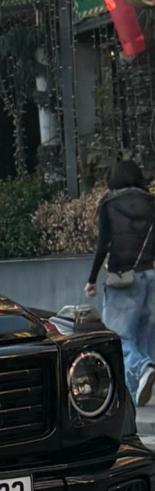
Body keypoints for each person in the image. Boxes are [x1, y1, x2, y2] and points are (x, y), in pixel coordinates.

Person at [85, 160, 155, 405]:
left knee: (116, 337)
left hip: (123, 280)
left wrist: (92, 280)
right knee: (144, 339)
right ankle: (135, 396)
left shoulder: (109, 204)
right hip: (150, 276)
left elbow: (103, 245)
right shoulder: (151, 203)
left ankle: (142, 368)